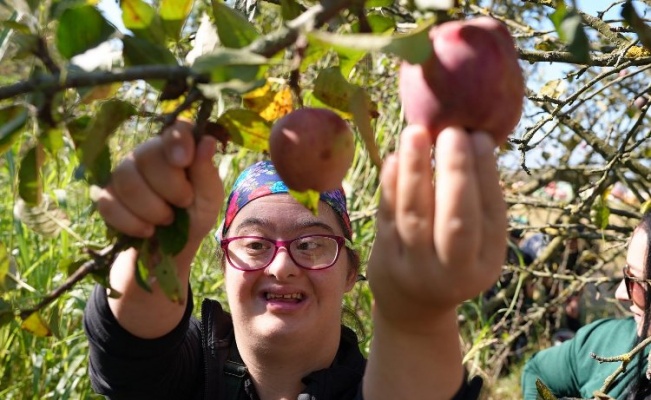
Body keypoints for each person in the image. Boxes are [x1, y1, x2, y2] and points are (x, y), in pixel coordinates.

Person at [83, 119, 507, 399]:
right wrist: (159, 243)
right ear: (222, 262)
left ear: (350, 273)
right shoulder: (187, 372)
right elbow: (130, 347)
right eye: (255, 244)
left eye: (310, 244)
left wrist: (417, 318)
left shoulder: (378, 386)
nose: (282, 266)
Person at [521, 213, 651, 400]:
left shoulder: (584, 252)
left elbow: (581, 272)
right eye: (626, 274)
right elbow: (537, 370)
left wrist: (574, 296)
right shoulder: (606, 341)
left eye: (635, 281)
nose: (620, 293)